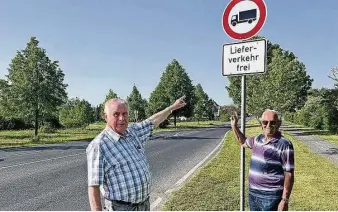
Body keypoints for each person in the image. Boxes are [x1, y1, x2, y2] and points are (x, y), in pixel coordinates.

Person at [86, 96, 187, 211]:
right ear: (106, 117)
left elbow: (153, 121)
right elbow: (93, 186)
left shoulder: (133, 132)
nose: (121, 118)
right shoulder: (99, 146)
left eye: (125, 114)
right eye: (116, 114)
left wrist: (172, 107)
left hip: (144, 205)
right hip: (121, 208)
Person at [230, 109, 294, 211]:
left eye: (272, 122)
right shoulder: (258, 139)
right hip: (253, 193)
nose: (268, 125)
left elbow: (289, 174)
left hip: (271, 196)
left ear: (278, 124)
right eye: (265, 122)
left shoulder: (284, 144)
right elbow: (243, 142)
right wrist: (234, 126)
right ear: (261, 124)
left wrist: (285, 200)